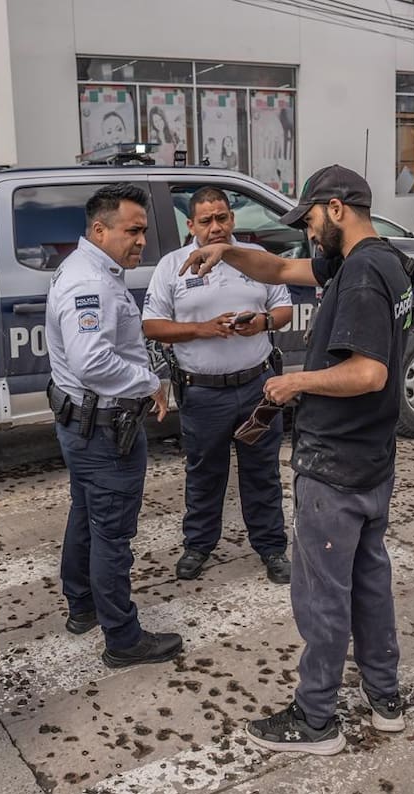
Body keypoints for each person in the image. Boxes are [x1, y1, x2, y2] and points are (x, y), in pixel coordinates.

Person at [181, 165, 414, 755]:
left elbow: (370, 371)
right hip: (372, 457)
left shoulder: (361, 278)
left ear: (336, 209)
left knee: (321, 594)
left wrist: (296, 384)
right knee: (369, 581)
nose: (308, 234)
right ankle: (385, 699)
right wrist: (227, 252)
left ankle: (316, 721)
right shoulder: (383, 260)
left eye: (310, 219)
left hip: (335, 461)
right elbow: (281, 269)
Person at [45, 183, 182, 669]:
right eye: (133, 230)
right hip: (104, 429)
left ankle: (83, 606)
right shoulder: (93, 283)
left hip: (82, 423)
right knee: (112, 533)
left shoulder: (92, 268)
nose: (141, 240)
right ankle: (123, 638)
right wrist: (149, 383)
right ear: (99, 230)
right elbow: (93, 362)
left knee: (86, 515)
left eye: (143, 231)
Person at [142, 187, 294, 585]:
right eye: (206, 221)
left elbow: (284, 309)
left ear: (232, 219)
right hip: (204, 393)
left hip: (257, 388)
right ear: (190, 225)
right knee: (205, 473)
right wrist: (202, 330)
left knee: (262, 473)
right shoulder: (172, 265)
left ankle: (272, 547)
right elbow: (152, 325)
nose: (216, 227)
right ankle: (199, 545)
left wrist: (262, 323)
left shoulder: (254, 260)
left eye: (222, 218)